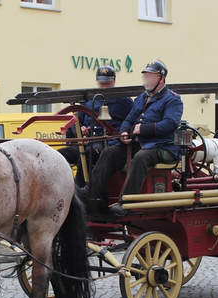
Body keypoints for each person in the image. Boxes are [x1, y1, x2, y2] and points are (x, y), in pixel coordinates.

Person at [79, 59, 184, 216]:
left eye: (151, 76)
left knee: (141, 157)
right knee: (109, 152)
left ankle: (125, 203)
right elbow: (130, 118)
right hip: (137, 143)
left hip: (161, 145)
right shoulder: (142, 98)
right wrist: (124, 132)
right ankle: (90, 193)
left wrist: (143, 129)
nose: (147, 80)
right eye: (145, 76)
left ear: (161, 78)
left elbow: (170, 124)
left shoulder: (173, 99)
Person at [58, 66, 133, 186]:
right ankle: (63, 188)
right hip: (88, 142)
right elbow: (75, 122)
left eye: (107, 83)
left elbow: (131, 121)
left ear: (114, 81)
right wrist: (81, 130)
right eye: (102, 83)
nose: (104, 87)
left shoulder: (124, 101)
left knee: (87, 155)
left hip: (109, 144)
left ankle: (80, 192)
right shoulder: (88, 100)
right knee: (59, 156)